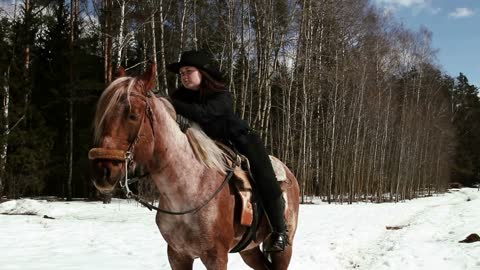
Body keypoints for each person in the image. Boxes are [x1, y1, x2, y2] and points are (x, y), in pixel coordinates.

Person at [167, 50, 287, 252]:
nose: (184, 76)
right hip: (204, 145)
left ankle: (279, 231)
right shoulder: (179, 97)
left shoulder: (221, 95)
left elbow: (203, 115)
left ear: (203, 73)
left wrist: (170, 103)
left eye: (188, 71)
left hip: (240, 140)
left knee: (265, 176)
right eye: (181, 73)